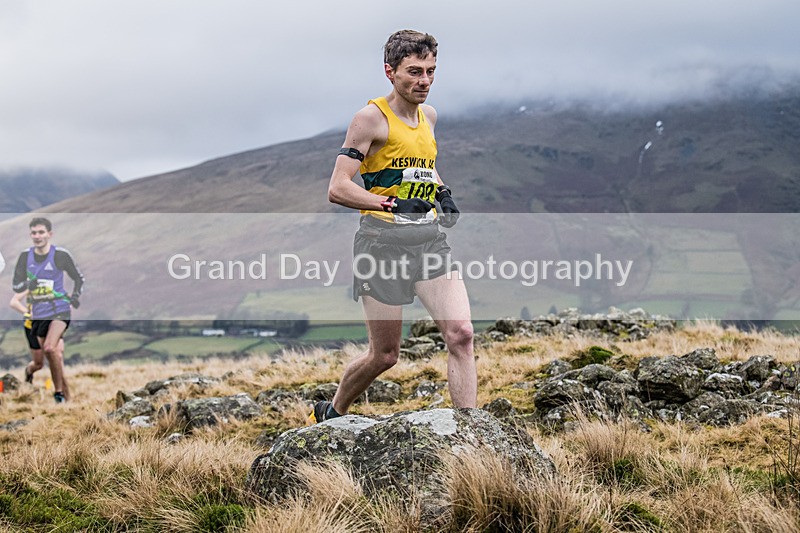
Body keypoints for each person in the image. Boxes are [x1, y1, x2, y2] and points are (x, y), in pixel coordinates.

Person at [309, 30, 476, 423]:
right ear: (390, 72)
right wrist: (392, 202)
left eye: (431, 71)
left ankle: (473, 436)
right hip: (381, 244)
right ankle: (333, 410)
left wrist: (442, 191)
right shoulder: (370, 119)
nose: (425, 81)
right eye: (414, 72)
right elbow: (338, 188)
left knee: (462, 335)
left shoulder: (428, 117)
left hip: (428, 242)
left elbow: (421, 164)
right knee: (384, 356)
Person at [11, 217, 84, 403]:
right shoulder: (25, 257)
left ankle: (58, 394)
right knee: (53, 357)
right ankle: (66, 399)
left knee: (51, 349)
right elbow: (16, 286)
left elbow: (78, 278)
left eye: (41, 232)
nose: (37, 236)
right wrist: (29, 283)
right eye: (34, 233)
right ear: (30, 235)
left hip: (60, 309)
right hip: (38, 314)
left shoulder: (60, 255)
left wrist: (74, 297)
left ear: (49, 234)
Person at [9, 290, 70, 398]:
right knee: (38, 364)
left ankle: (64, 396)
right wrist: (28, 313)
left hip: (51, 323)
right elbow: (14, 302)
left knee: (58, 357)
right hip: (32, 326)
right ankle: (29, 372)